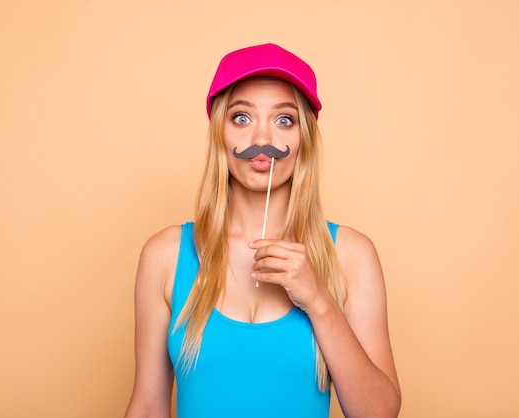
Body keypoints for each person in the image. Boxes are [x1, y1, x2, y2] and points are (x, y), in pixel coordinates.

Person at [124, 43, 401, 418]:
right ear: (219, 133)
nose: (261, 140)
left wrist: (319, 301)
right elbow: (148, 405)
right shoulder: (165, 256)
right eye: (241, 118)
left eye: (284, 120)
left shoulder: (350, 256)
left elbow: (379, 414)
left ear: (305, 139)